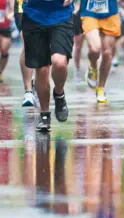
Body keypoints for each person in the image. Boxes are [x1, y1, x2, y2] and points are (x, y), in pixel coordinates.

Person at [22, 0, 73, 131]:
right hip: (34, 15)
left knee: (60, 63)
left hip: (61, 14)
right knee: (42, 68)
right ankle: (44, 114)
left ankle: (59, 94)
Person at [82, 0, 121, 103]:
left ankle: (101, 88)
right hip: (89, 12)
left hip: (110, 13)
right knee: (95, 48)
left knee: (107, 52)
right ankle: (93, 67)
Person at [12, 0, 37, 107]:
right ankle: (28, 92)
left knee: (43, 45)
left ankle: (36, 79)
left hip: (45, 7)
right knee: (27, 41)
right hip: (23, 6)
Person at [72, 0, 84, 83]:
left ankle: (93, 69)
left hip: (88, 13)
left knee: (94, 45)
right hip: (74, 13)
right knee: (78, 46)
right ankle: (77, 69)